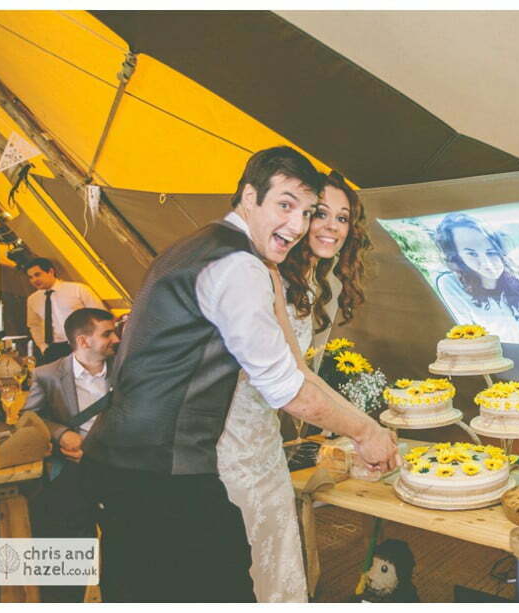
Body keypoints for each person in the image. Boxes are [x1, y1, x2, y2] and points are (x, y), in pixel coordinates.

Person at [80, 147, 399, 603]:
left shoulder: (197, 247)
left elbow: (291, 369)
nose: (298, 225)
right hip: (165, 473)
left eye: (306, 212)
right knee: (225, 588)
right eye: (285, 205)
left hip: (125, 462)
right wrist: (366, 430)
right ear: (249, 196)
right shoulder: (239, 266)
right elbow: (288, 389)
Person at [218, 169, 370, 602]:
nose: (331, 228)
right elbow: (289, 377)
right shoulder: (261, 275)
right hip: (227, 438)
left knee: (277, 562)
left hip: (264, 441)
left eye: (343, 219)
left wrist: (359, 425)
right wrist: (364, 429)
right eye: (319, 213)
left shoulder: (323, 284)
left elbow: (306, 372)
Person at [23, 307, 119, 602]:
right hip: (72, 472)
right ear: (84, 340)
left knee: (123, 549)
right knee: (65, 555)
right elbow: (29, 418)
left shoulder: (125, 369)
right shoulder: (47, 375)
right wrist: (62, 433)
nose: (116, 339)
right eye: (107, 333)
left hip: (117, 468)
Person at [433, 213, 519, 342]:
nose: (487, 264)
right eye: (471, 254)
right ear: (458, 257)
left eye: (491, 252)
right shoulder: (451, 284)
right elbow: (468, 336)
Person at [25, 257, 105, 365]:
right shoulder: (33, 300)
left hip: (82, 344)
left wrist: (95, 343)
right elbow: (34, 325)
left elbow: (100, 316)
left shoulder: (78, 290)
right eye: (30, 277)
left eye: (37, 274)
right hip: (54, 349)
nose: (34, 280)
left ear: (51, 271)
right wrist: (43, 347)